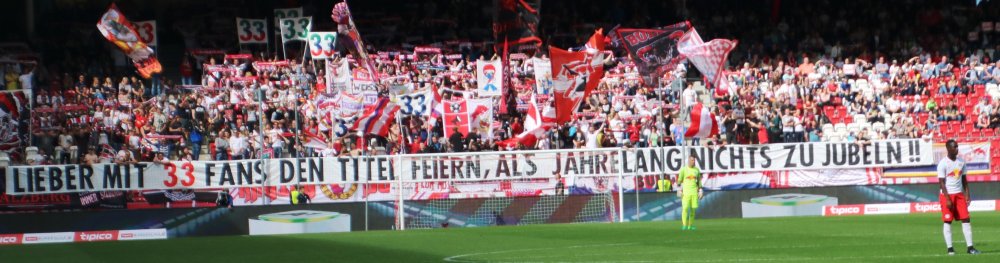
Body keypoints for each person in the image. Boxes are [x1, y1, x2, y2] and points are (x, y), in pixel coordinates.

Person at [938, 140, 980, 255]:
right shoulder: (943, 163)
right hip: (947, 195)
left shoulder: (961, 162)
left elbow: (964, 180)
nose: (957, 149)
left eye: (957, 146)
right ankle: (950, 249)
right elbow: (941, 182)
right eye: (954, 147)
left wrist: (967, 194)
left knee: (966, 219)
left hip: (959, 194)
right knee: (947, 221)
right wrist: (947, 199)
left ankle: (970, 247)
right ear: (948, 148)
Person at [676, 155, 703, 230]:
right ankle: (684, 225)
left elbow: (699, 181)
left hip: (694, 192)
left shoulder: (696, 170)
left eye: (694, 160)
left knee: (693, 210)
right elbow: (679, 180)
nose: (693, 162)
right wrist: (679, 189)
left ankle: (690, 226)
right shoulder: (683, 169)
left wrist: (700, 190)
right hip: (686, 193)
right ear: (688, 161)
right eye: (692, 160)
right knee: (685, 208)